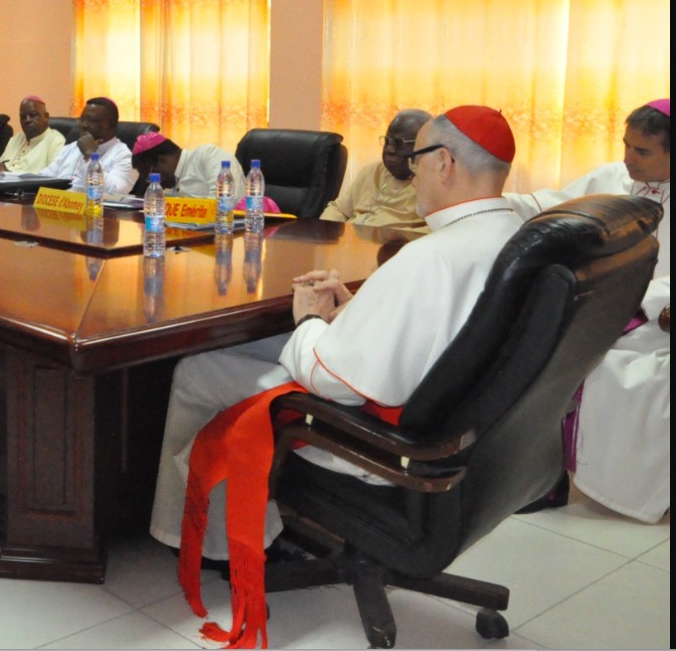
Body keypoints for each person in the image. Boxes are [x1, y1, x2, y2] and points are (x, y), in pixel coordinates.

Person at [150, 106, 521, 582]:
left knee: (197, 370)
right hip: (454, 416)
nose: (412, 174)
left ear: (444, 163)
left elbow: (334, 382)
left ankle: (208, 540)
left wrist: (309, 319)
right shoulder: (510, 233)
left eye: (417, 161)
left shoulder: (432, 256)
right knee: (262, 346)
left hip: (383, 435)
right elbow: (438, 325)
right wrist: (356, 309)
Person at [505, 99, 669, 522]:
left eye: (642, 152)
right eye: (626, 146)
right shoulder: (613, 178)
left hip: (653, 317)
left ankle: (565, 478)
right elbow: (553, 204)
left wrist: (640, 302)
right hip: (594, 301)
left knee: (588, 365)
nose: (626, 158)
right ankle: (531, 474)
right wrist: (492, 201)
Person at [320, 108, 432, 232]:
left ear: (424, 145)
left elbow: (436, 230)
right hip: (350, 244)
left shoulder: (434, 184)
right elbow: (339, 209)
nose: (389, 150)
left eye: (399, 143)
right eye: (387, 141)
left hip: (392, 248)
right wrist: (325, 233)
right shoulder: (371, 171)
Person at [37, 97, 138, 194]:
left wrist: (90, 156)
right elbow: (45, 178)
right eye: (82, 119)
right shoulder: (71, 148)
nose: (84, 125)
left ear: (111, 125)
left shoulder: (125, 156)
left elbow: (115, 193)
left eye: (91, 120)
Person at [129, 132, 243, 201]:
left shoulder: (207, 155)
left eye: (149, 177)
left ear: (163, 160)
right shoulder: (174, 188)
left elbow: (225, 198)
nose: (154, 184)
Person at [0, 97, 65, 174]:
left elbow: (53, 179)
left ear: (46, 116)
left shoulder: (56, 141)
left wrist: (7, 173)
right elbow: (0, 168)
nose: (27, 120)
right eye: (23, 116)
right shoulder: (15, 139)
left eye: (33, 115)